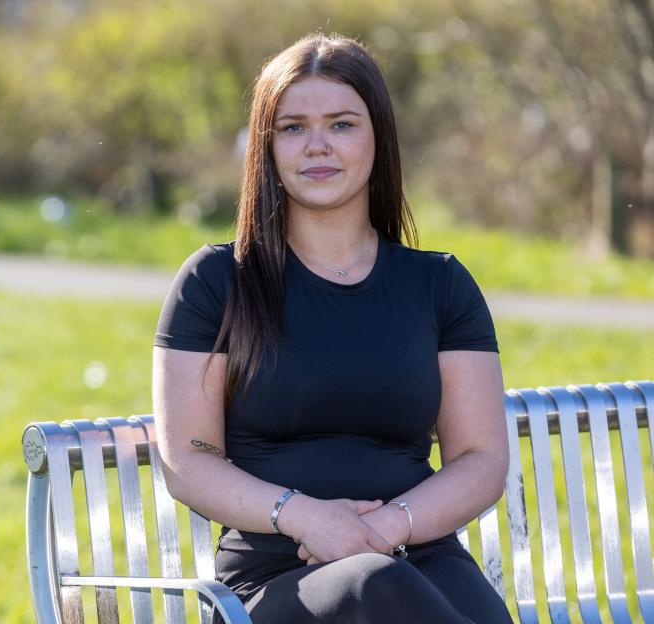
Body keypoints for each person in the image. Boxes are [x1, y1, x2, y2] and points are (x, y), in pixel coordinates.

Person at [152, 32, 513, 624]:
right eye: (292, 127)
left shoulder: (439, 285)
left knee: (402, 587)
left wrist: (384, 527)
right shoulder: (216, 283)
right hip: (274, 578)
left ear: (379, 138)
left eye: (342, 124)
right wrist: (309, 518)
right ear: (266, 148)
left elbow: (479, 457)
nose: (317, 146)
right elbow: (189, 460)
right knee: (376, 585)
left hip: (420, 557)